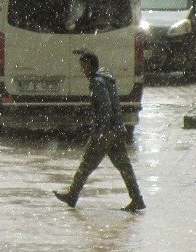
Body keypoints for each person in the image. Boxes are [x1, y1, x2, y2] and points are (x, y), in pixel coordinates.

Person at [53, 50, 146, 211]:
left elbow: (105, 107)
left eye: (84, 66)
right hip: (116, 130)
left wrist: (102, 132)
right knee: (124, 166)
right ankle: (137, 198)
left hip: (106, 132)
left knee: (86, 164)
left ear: (90, 65)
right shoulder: (105, 77)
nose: (82, 70)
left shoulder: (97, 82)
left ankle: (72, 195)